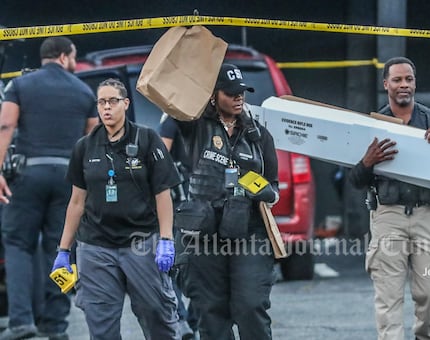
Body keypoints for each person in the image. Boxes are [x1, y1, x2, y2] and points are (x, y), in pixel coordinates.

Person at [51, 78, 181, 339]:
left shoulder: (147, 139)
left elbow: (162, 193)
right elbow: (76, 202)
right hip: (96, 247)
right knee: (101, 323)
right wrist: (63, 250)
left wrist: (166, 239)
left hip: (141, 242)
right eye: (101, 102)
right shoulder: (84, 147)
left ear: (126, 103)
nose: (106, 107)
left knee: (157, 315)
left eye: (112, 101)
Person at [349, 57, 430, 340]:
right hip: (388, 216)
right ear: (386, 84)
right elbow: (354, 180)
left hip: (428, 215)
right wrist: (367, 162)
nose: (403, 85)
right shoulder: (373, 124)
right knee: (388, 296)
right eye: (397, 80)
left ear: (415, 83)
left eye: (408, 79)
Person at [0, 36, 99, 340]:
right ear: (63, 56)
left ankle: (20, 322)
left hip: (28, 174)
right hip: (68, 181)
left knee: (18, 245)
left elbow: (6, 126)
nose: (75, 60)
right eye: (74, 55)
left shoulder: (19, 86)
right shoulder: (84, 91)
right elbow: (94, 140)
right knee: (62, 249)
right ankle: (56, 325)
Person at [174, 63, 279, 339]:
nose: (238, 97)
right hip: (202, 234)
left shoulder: (259, 135)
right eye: (230, 92)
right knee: (211, 312)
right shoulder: (193, 128)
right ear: (212, 94)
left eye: (241, 92)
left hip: (249, 232)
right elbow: (171, 95)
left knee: (250, 306)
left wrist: (267, 192)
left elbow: (275, 187)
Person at [158, 114, 196, 339]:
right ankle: (191, 321)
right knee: (201, 267)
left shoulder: (171, 121)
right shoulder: (207, 119)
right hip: (202, 201)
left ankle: (182, 320)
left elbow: (161, 159)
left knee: (173, 267)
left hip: (180, 204)